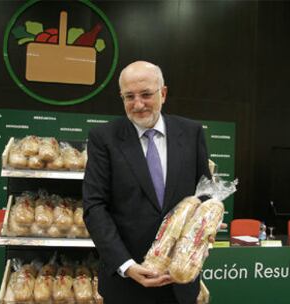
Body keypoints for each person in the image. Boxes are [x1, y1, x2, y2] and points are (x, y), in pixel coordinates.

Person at [82, 61, 213, 304]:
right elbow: (94, 207)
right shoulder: (103, 138)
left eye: (145, 94)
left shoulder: (192, 132)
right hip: (127, 283)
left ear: (163, 93)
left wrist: (204, 228)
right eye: (129, 96)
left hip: (180, 280)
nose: (138, 104)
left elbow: (204, 193)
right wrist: (127, 265)